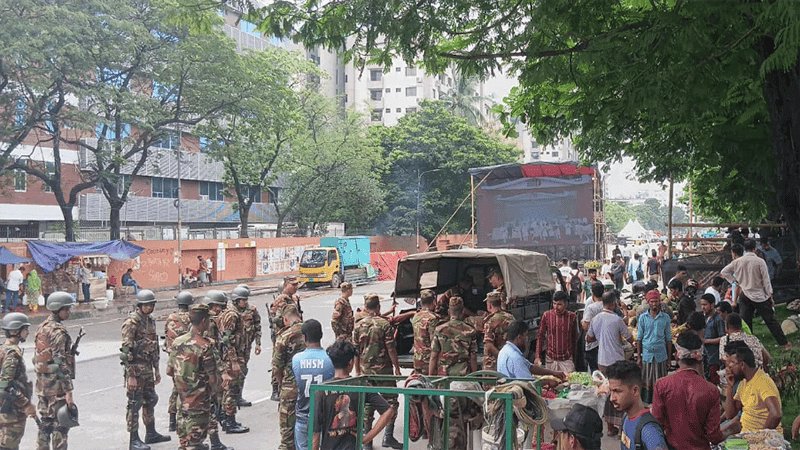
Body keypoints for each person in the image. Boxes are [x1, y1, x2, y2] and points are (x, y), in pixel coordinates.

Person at [312, 339, 392, 450]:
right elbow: (388, 411)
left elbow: (315, 431)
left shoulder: (321, 390)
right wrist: (366, 438)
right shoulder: (360, 385)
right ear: (351, 363)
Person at [651, 332, 724, 450]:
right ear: (700, 358)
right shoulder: (712, 390)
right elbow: (713, 436)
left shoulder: (662, 385)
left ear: (676, 356)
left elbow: (657, 424)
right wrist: (730, 431)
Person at [120, 290, 170, 450]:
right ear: (140, 305)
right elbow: (126, 352)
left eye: (151, 305)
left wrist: (156, 369)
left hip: (147, 368)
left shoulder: (151, 321)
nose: (149, 307)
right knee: (134, 404)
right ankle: (133, 439)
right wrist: (131, 376)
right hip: (136, 369)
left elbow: (153, 346)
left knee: (150, 399)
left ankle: (151, 433)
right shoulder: (131, 323)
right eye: (146, 305)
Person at [166, 303, 219, 450]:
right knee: (194, 444)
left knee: (184, 443)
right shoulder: (205, 346)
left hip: (181, 402)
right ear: (203, 321)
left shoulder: (177, 342)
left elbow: (169, 371)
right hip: (198, 404)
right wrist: (215, 395)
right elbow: (212, 378)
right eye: (209, 320)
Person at [353, 294, 402, 450]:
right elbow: (391, 349)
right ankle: (388, 436)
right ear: (378, 307)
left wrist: (358, 370)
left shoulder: (358, 325)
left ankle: (367, 440)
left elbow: (356, 351)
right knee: (391, 402)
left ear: (366, 308)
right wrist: (397, 368)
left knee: (367, 404)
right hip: (384, 371)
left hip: (366, 372)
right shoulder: (384, 324)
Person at [722, 240, 790, 350]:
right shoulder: (760, 261)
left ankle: (748, 346)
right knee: (770, 321)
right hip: (760, 295)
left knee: (746, 322)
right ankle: (785, 343)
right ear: (755, 249)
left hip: (745, 295)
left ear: (744, 249)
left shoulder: (738, 261)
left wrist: (735, 281)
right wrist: (770, 296)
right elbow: (766, 281)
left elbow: (724, 272)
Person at [33, 291, 77, 450]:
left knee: (45, 423)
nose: (69, 312)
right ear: (58, 309)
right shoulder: (58, 331)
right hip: (56, 386)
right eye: (67, 309)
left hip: (43, 384)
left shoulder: (42, 327)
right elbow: (60, 362)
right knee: (60, 425)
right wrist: (68, 391)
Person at [587, 291, 634, 436]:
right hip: (617, 361)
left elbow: (589, 339)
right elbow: (630, 338)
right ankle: (620, 428)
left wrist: (602, 338)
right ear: (613, 303)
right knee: (620, 392)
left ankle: (610, 428)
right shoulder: (617, 319)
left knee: (606, 394)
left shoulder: (595, 319)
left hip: (602, 361)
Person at [605, 361, 670, 450]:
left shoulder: (649, 430)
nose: (612, 398)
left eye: (617, 391)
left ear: (635, 390)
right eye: (611, 391)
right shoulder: (626, 417)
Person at [292, 319, 334, 450]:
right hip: (324, 416)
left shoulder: (297, 359)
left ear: (304, 338)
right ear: (321, 335)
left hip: (304, 415)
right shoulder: (330, 358)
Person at [203, 291, 236, 449]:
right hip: (210, 366)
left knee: (214, 401)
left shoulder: (211, 320)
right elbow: (211, 346)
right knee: (211, 402)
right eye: (217, 306)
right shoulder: (208, 322)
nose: (219, 309)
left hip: (211, 364)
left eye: (221, 307)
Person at [0, 312, 38, 449]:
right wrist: (26, 404)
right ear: (16, 331)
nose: (27, 333)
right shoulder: (12, 354)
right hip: (12, 413)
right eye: (25, 329)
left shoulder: (4, 349)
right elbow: (6, 386)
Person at [723, 346, 782, 432]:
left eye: (732, 362)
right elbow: (729, 415)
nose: (729, 367)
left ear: (742, 364)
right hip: (746, 433)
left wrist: (761, 437)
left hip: (759, 438)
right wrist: (729, 386)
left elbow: (776, 414)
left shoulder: (763, 382)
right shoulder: (744, 383)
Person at [273, 304, 304, 450]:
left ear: (285, 319)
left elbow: (277, 367)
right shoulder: (309, 331)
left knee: (287, 429)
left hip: (290, 386)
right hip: (311, 385)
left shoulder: (284, 336)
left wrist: (280, 385)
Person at [164, 291, 194, 432]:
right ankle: (184, 418)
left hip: (173, 357)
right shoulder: (192, 317)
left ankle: (172, 420)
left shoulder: (171, 318)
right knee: (186, 389)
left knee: (176, 388)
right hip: (186, 358)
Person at [497, 320, 567, 380]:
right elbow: (528, 382)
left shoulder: (505, 350)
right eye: (526, 335)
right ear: (519, 338)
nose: (527, 339)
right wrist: (547, 382)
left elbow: (529, 366)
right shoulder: (515, 357)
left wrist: (553, 373)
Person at [636, 290, 672, 404]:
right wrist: (639, 357)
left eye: (656, 301)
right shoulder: (643, 318)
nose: (654, 304)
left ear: (660, 302)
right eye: (652, 302)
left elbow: (668, 339)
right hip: (647, 355)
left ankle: (660, 403)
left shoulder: (665, 318)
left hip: (661, 355)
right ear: (648, 302)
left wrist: (669, 359)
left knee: (661, 381)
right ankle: (648, 404)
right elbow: (639, 338)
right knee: (647, 380)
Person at [535, 291, 578, 373]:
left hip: (566, 360)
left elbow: (574, 339)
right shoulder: (546, 316)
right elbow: (540, 336)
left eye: (559, 304)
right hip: (551, 359)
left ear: (565, 305)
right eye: (554, 303)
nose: (556, 307)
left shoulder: (572, 317)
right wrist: (537, 356)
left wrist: (574, 360)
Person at [235, 285, 261, 407]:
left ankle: (238, 396)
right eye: (243, 300)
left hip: (245, 348)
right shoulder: (230, 312)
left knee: (243, 371)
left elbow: (257, 326)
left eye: (246, 300)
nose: (245, 302)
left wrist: (258, 343)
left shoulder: (252, 310)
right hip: (233, 348)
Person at [482, 292, 515, 371]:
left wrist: (501, 357)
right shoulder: (511, 318)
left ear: (489, 305)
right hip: (510, 359)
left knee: (491, 383)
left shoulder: (490, 321)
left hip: (493, 364)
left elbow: (489, 345)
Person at [411, 289, 441, 374]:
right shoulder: (433, 319)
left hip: (417, 359)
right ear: (433, 302)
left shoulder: (416, 316)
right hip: (429, 361)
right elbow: (435, 344)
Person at [699, 293, 726, 384]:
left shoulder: (718, 319)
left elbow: (723, 338)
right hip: (706, 356)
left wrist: (707, 341)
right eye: (702, 305)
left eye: (705, 304)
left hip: (715, 356)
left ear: (712, 304)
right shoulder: (705, 318)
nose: (703, 307)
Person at [582, 283, 605, 373]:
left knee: (595, 371)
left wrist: (582, 322)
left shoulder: (591, 307)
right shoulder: (607, 305)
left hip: (593, 344)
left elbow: (585, 326)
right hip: (605, 343)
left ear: (592, 294)